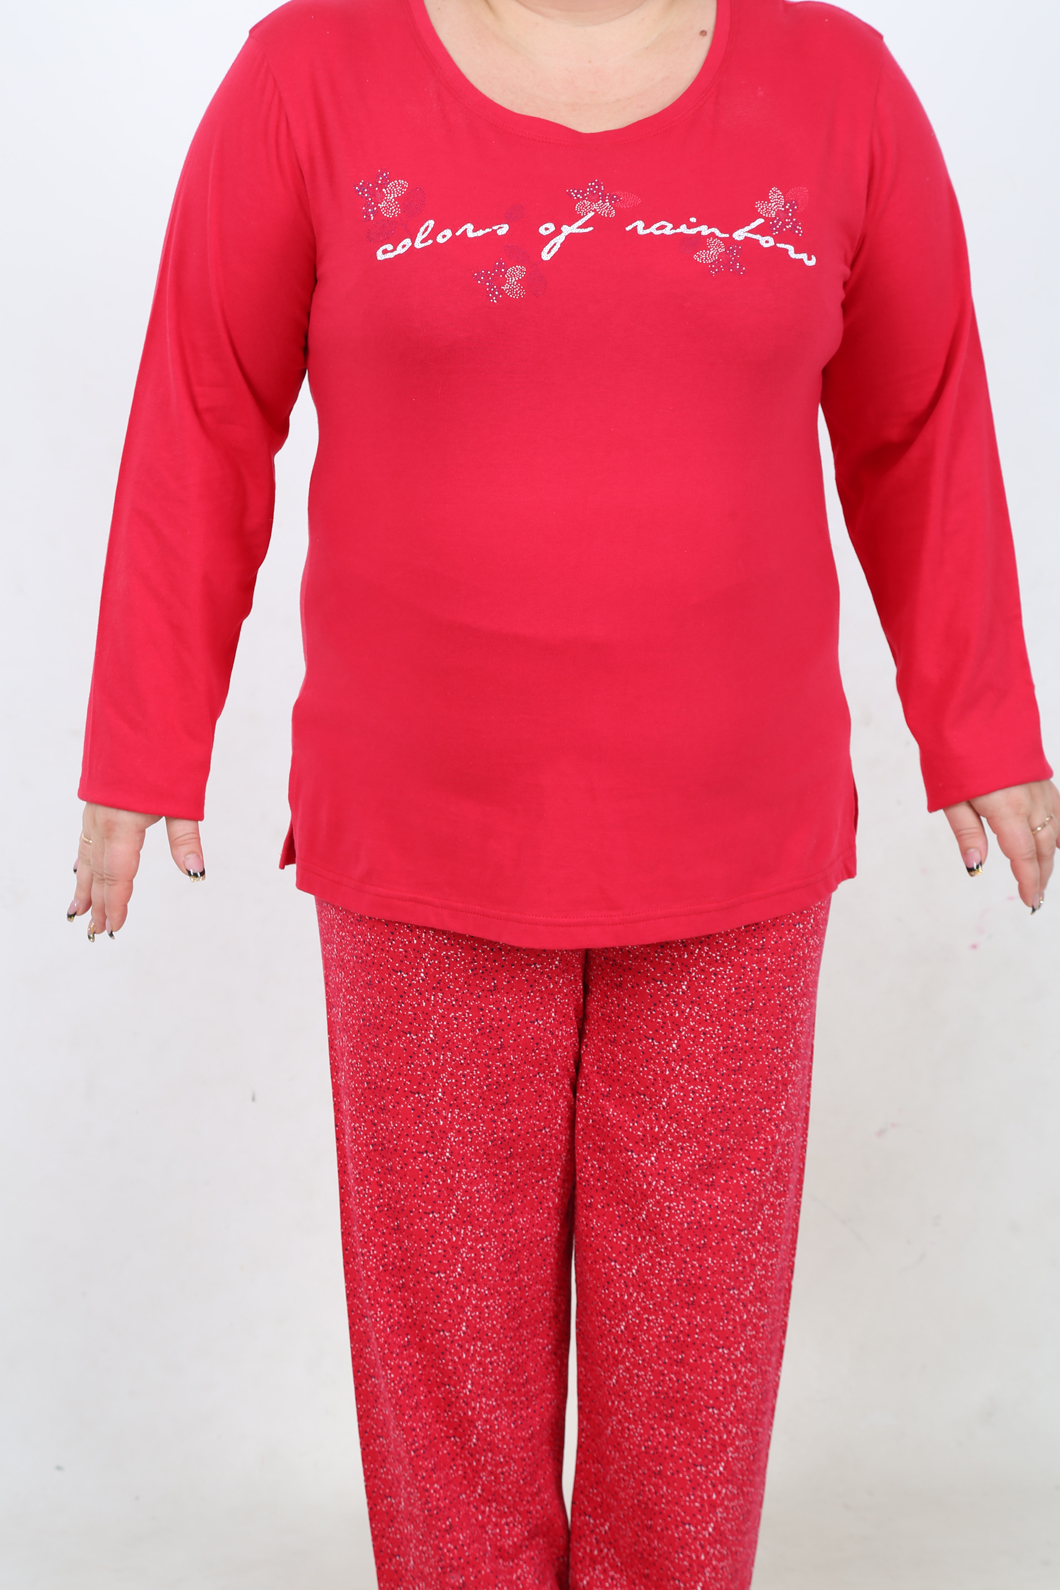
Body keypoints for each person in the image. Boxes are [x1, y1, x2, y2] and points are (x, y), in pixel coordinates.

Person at [69, 0, 1056, 1583]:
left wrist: (983, 717)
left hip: (735, 844)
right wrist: (144, 734)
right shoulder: (309, 75)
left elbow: (919, 422)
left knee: (695, 1400)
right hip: (422, 842)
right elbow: (204, 405)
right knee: (447, 1395)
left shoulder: (840, 88)